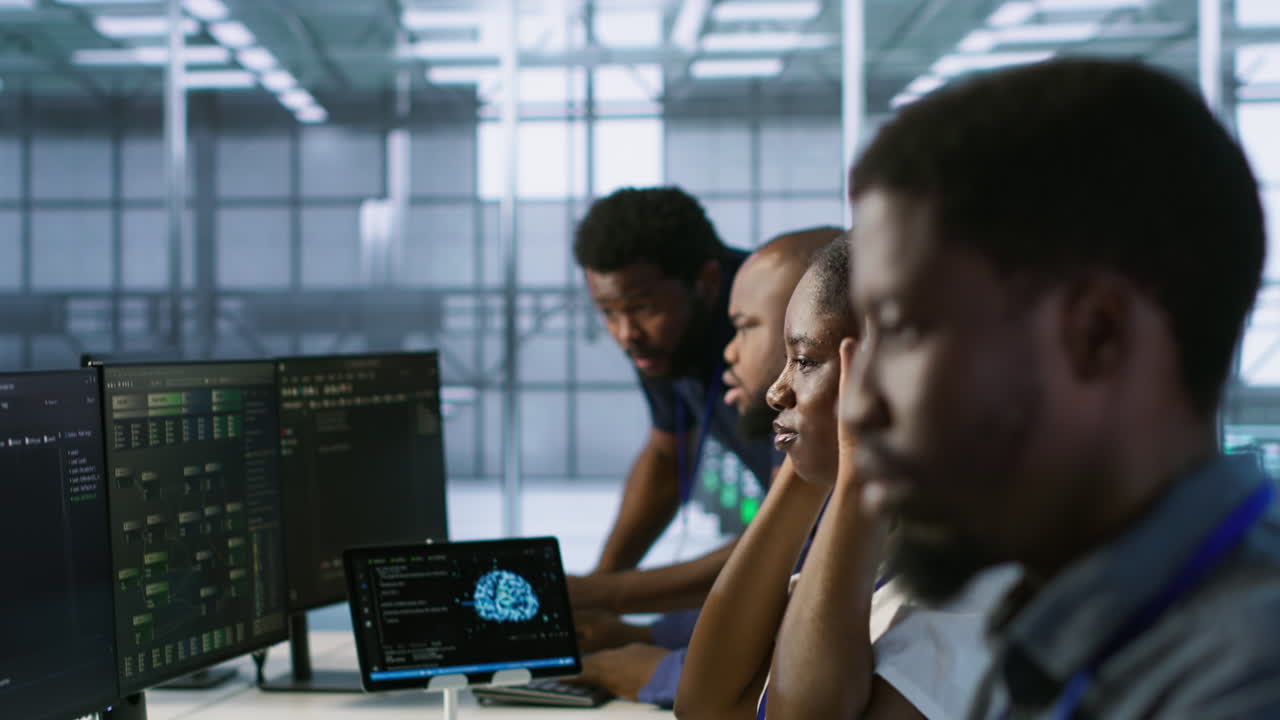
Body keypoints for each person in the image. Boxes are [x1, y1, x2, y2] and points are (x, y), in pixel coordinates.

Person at [838, 58, 1280, 717]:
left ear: (1097, 335)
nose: (856, 404)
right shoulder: (1064, 628)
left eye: (901, 330)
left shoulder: (1245, 683)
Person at [678, 237, 1011, 720]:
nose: (776, 390)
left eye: (805, 360)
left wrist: (858, 464)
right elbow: (707, 706)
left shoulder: (976, 598)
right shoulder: (894, 555)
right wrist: (806, 470)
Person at [571, 195, 840, 702]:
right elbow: (667, 460)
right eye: (608, 312)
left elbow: (797, 574)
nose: (626, 333)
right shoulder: (667, 339)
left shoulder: (779, 304)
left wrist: (651, 654)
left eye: (747, 329)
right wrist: (620, 612)